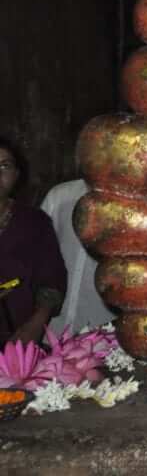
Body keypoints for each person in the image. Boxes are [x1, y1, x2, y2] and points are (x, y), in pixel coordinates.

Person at [0, 137, 67, 344]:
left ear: (16, 175)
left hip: (17, 339)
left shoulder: (34, 222)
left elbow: (51, 279)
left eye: (5, 165)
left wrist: (37, 324)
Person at [41, 178, 114, 333]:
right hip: (50, 329)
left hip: (103, 332)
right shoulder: (60, 195)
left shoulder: (135, 202)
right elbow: (37, 255)